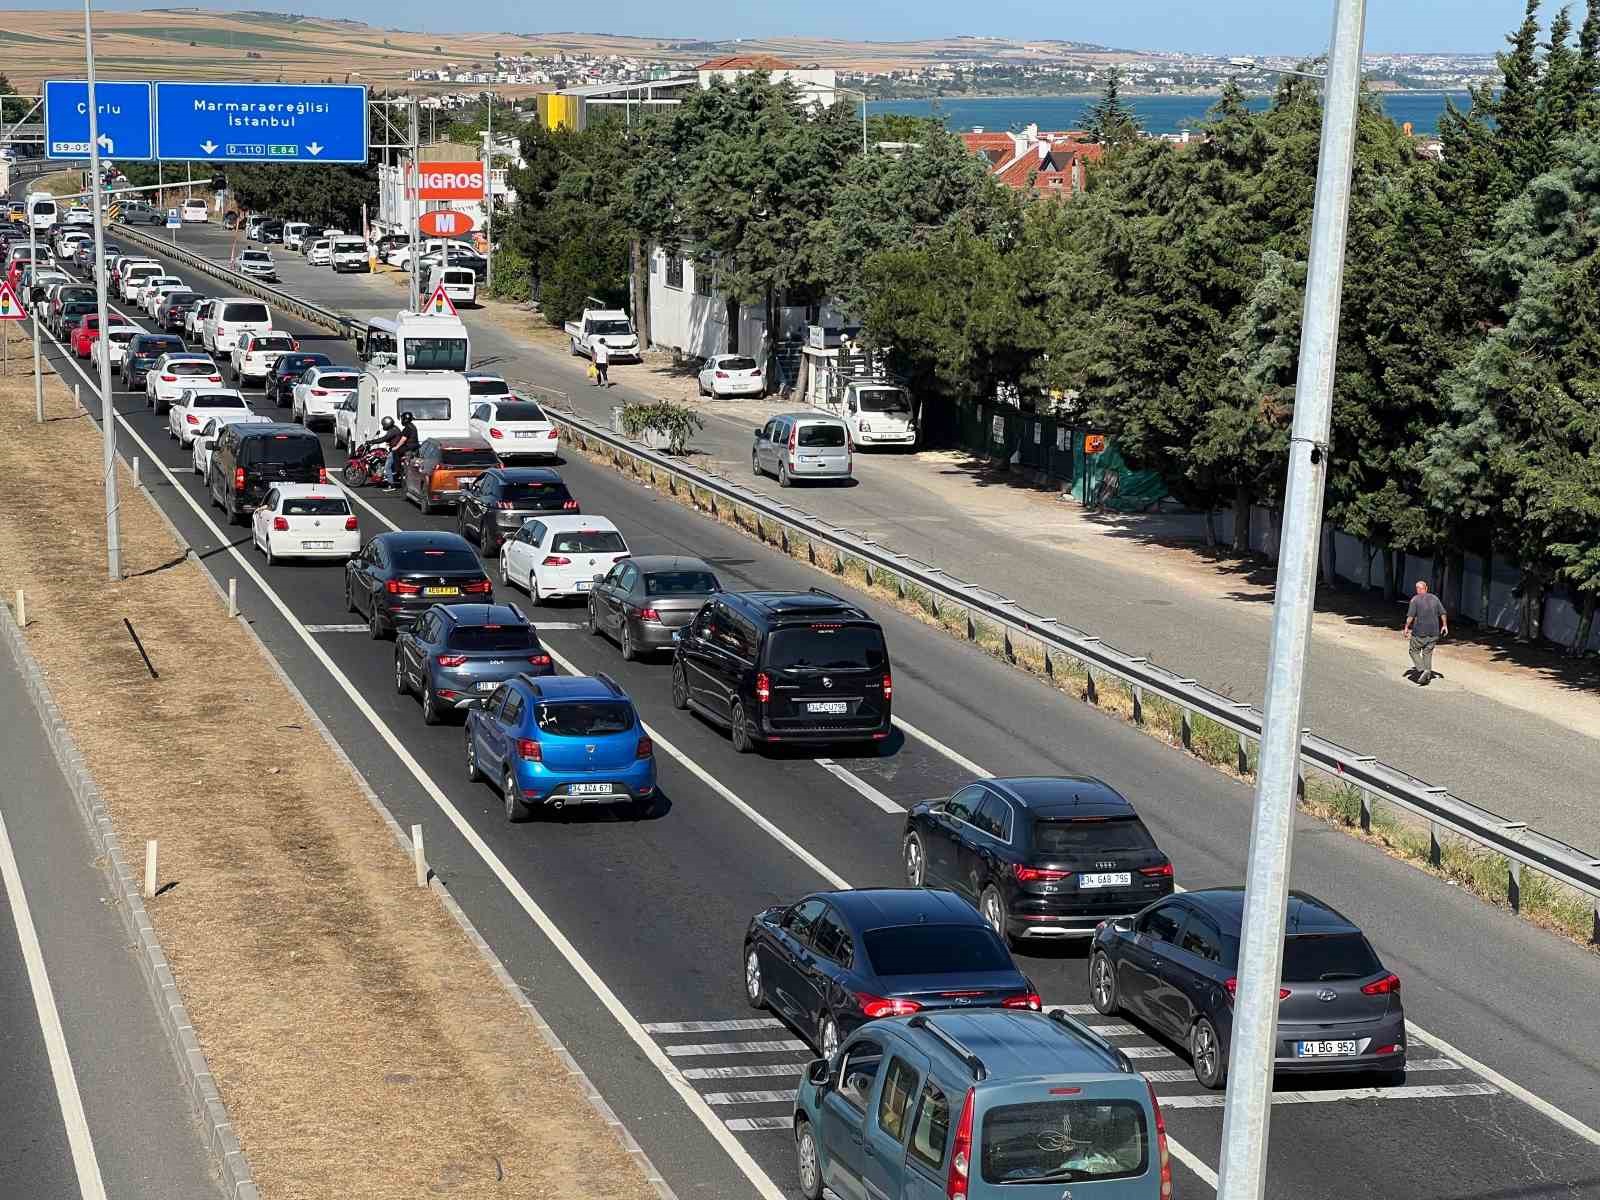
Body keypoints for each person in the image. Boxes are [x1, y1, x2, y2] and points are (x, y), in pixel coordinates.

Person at [1403, 579, 1448, 685]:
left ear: (1418, 589)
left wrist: (1406, 627)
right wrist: (1445, 625)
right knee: (1427, 653)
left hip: (1419, 632)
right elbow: (1443, 613)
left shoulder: (1415, 600)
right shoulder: (1435, 598)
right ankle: (1427, 674)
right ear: (1426, 588)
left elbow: (1410, 616)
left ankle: (1423, 669)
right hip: (1434, 632)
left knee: (1413, 651)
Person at [383, 412, 419, 492]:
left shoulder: (407, 428)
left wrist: (396, 447)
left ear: (405, 419)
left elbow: (403, 440)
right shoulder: (412, 426)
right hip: (414, 448)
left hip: (409, 448)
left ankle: (397, 470)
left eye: (402, 419)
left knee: (396, 452)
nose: (401, 420)